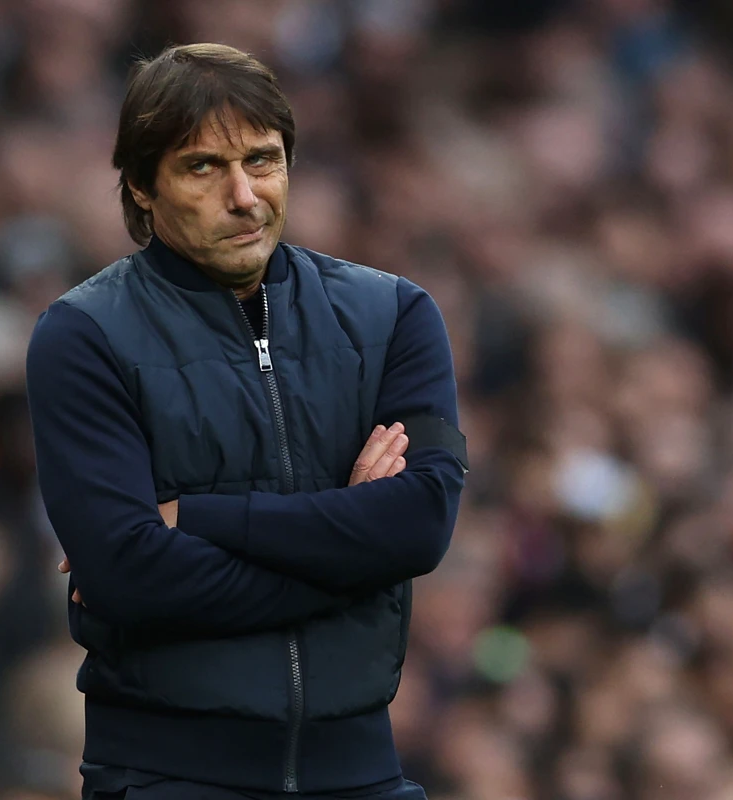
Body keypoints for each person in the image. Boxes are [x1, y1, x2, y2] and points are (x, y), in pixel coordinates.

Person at [25, 43, 468, 799]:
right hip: (169, 777)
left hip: (361, 773)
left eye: (263, 160)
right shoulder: (82, 336)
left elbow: (419, 526)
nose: (244, 195)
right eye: (203, 167)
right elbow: (130, 574)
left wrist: (199, 517)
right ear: (140, 186)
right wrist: (355, 559)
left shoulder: (395, 315)